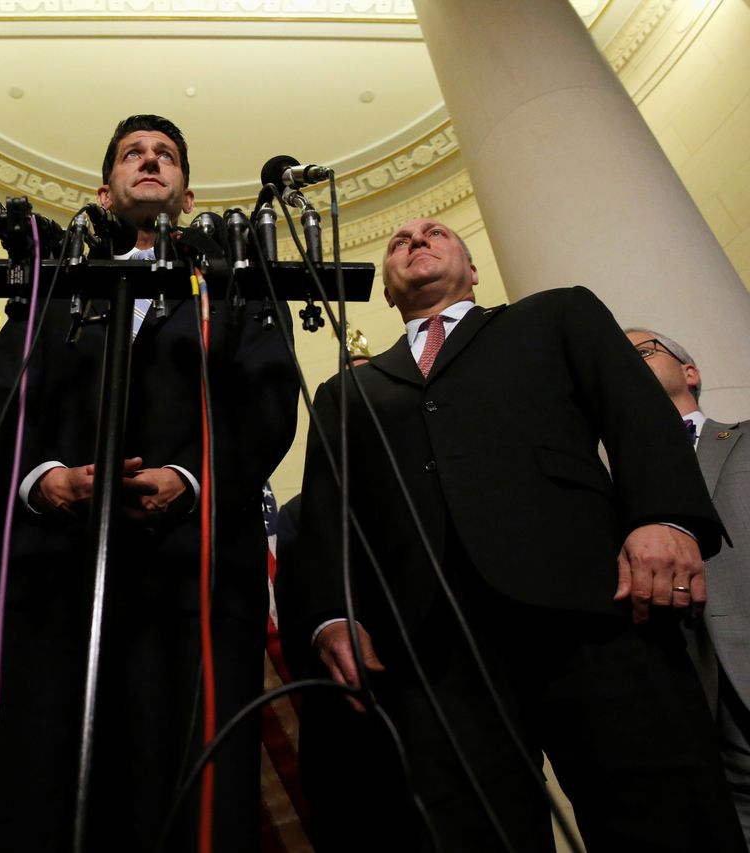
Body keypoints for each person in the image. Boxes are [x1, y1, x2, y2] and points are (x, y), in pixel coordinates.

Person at [279, 218, 745, 852]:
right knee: (471, 831)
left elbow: (636, 416)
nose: (415, 240)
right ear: (386, 291)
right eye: (398, 242)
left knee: (663, 813)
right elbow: (329, 512)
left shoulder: (555, 317)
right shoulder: (346, 391)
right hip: (433, 645)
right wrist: (331, 616)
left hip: (594, 605)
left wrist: (662, 519)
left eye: (435, 231)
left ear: (473, 271)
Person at [0, 115, 298, 852]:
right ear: (104, 191)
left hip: (193, 576)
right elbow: (0, 397)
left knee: (180, 799)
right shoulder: (54, 285)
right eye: (133, 154)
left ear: (189, 193)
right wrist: (44, 483)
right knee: (36, 796)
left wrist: (190, 478)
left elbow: (269, 401)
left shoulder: (234, 281)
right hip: (56, 576)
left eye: (165, 154)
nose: (150, 161)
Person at [626, 326, 750, 843]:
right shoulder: (607, 483)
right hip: (687, 701)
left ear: (690, 372)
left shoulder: (744, 438)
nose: (625, 364)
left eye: (641, 352)